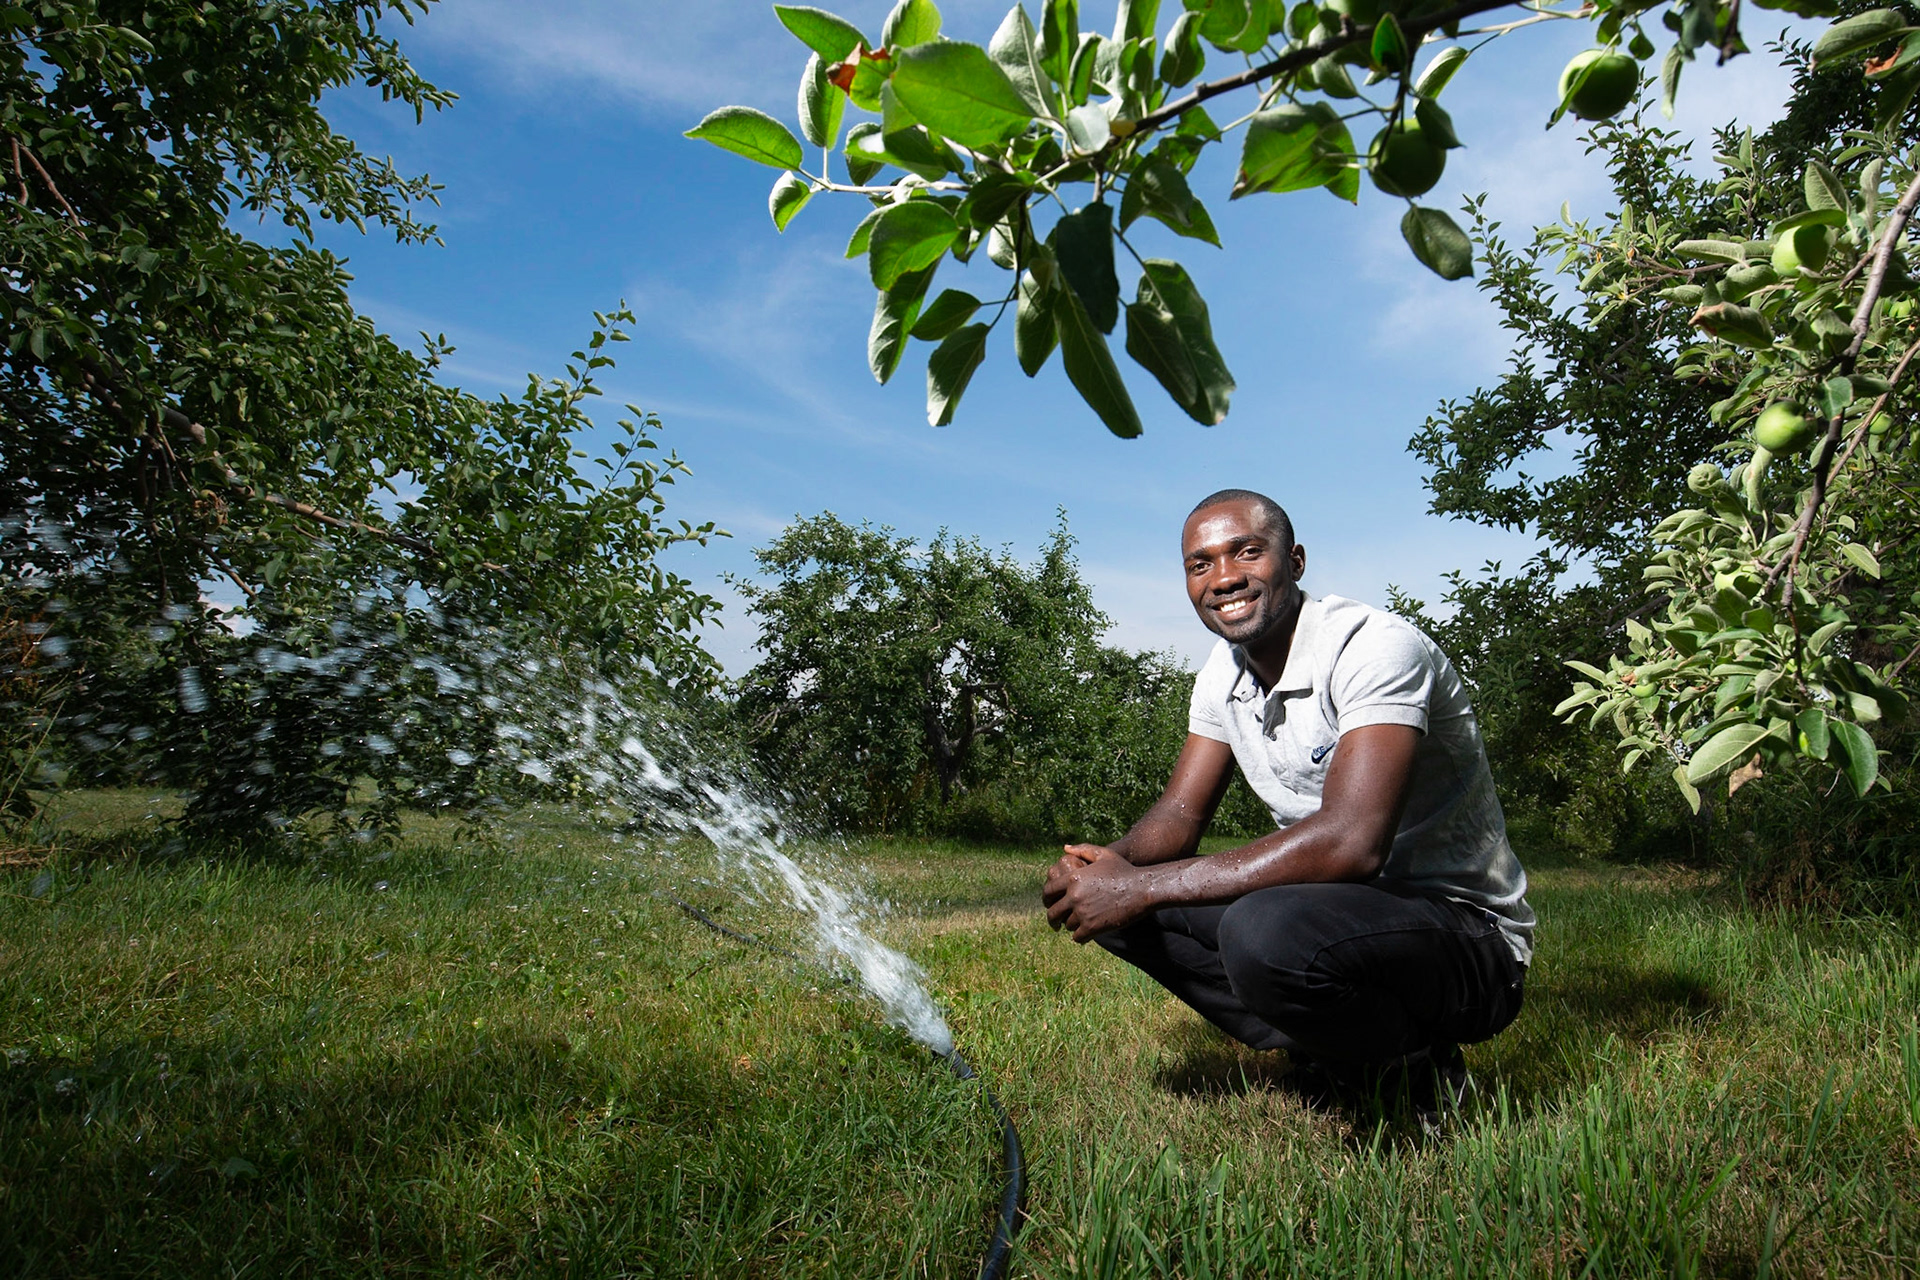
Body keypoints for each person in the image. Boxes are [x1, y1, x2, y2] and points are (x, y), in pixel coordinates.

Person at [1041, 489, 1532, 1106]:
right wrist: (1101, 870)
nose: (1223, 579)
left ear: (1294, 561)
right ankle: (1332, 1049)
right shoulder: (1223, 673)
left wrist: (1140, 886)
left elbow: (1351, 844)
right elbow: (1177, 818)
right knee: (1123, 901)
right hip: (1339, 914)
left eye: (1246, 553)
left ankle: (1416, 1073)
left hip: (1468, 940)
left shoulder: (1372, 647)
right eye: (1201, 565)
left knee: (1259, 927)